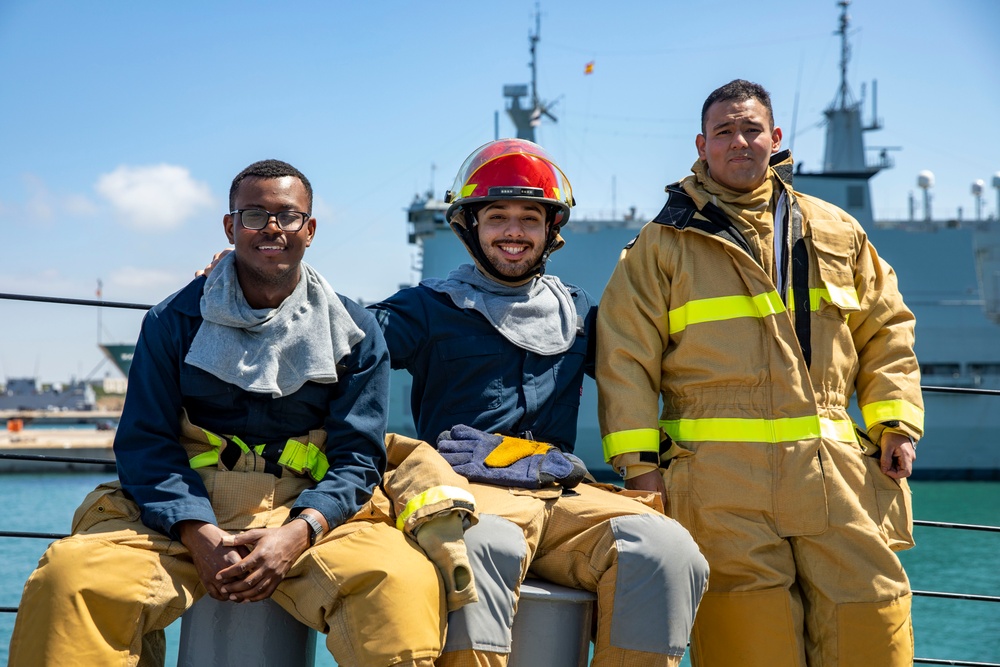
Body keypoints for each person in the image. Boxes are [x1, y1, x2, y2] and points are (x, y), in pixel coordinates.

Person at [8, 159, 479, 667]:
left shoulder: (356, 331)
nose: (272, 228)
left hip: (304, 510)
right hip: (185, 514)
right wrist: (198, 532)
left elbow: (358, 457)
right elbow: (146, 443)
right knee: (70, 580)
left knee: (398, 586)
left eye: (289, 216)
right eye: (254, 216)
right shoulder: (173, 321)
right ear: (230, 227)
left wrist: (299, 532)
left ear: (310, 229)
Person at [596, 79, 923, 666]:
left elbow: (886, 329)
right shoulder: (661, 245)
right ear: (702, 144)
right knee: (748, 639)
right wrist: (641, 473)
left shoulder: (836, 230)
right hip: (721, 487)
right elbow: (625, 358)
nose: (739, 142)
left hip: (835, 475)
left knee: (872, 617)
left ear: (774, 139)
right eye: (724, 132)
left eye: (751, 130)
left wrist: (895, 420)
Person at [369, 138, 709, 667]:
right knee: (487, 548)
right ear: (470, 226)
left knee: (666, 551)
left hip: (560, 492)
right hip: (469, 493)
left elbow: (660, 361)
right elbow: (346, 340)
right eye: (497, 215)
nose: (513, 231)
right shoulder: (426, 306)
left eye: (530, 217)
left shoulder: (576, 312)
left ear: (551, 230)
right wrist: (251, 281)